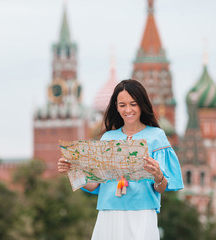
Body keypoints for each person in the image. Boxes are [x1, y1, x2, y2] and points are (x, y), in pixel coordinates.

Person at [57, 79, 184, 240]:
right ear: (116, 107)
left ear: (142, 104)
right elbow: (94, 185)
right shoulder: (108, 138)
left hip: (141, 214)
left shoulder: (156, 136)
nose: (128, 109)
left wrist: (159, 175)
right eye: (122, 105)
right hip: (108, 214)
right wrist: (72, 169)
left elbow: (161, 188)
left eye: (133, 104)